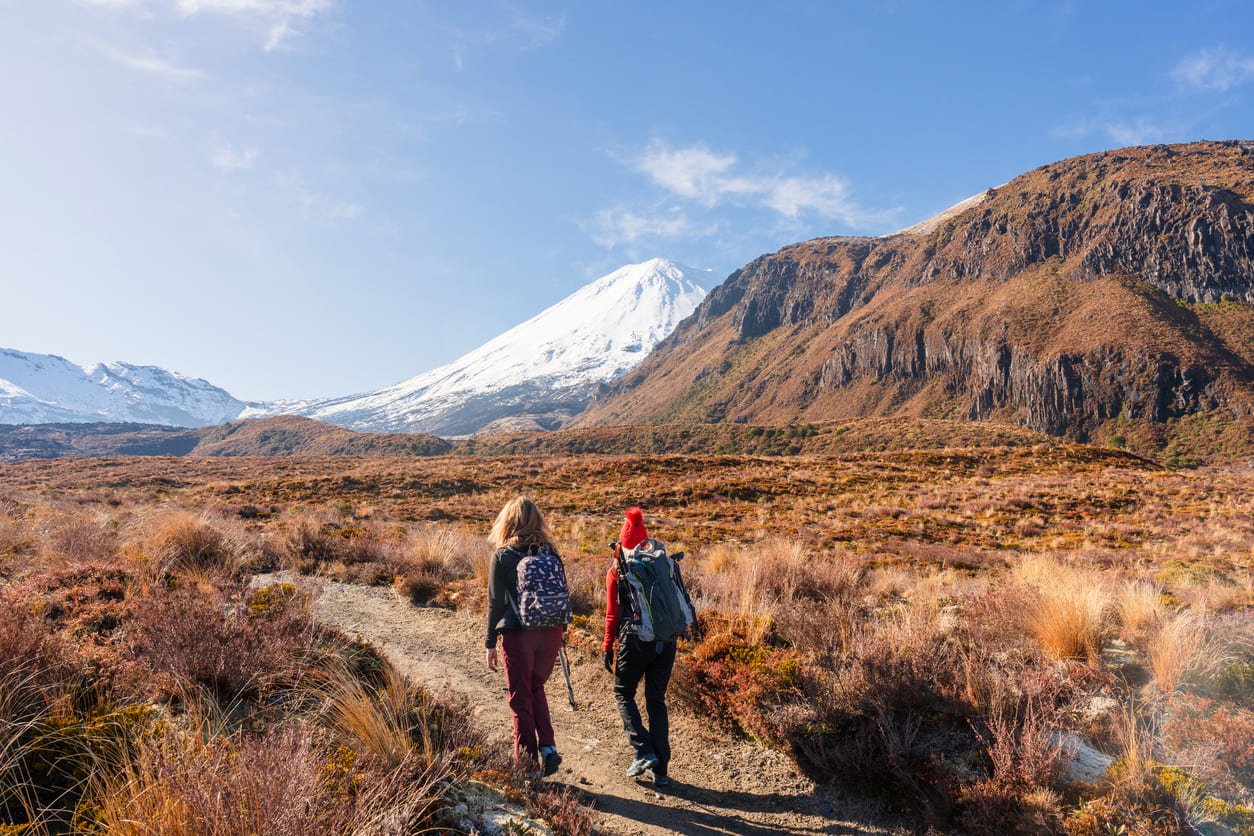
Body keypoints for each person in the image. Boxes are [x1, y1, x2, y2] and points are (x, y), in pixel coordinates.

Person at [602, 507, 693, 787]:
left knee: (622, 693)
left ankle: (644, 750)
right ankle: (661, 769)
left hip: (636, 640)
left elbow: (612, 614)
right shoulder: (662, 562)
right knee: (656, 700)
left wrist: (608, 645)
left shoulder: (619, 568)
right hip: (667, 641)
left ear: (622, 541)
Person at [485, 496, 565, 776]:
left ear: (507, 521)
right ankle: (548, 749)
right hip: (551, 632)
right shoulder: (550, 552)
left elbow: (495, 603)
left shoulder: (503, 555)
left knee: (520, 696)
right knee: (535, 686)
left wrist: (489, 643)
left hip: (519, 635)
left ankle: (527, 768)